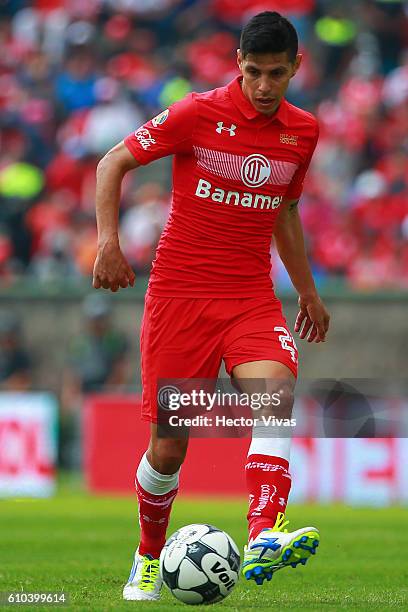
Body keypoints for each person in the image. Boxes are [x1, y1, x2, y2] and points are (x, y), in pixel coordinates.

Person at [93, 11, 330, 601]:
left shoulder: (303, 131)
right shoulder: (198, 112)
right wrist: (107, 242)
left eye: (277, 73)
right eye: (254, 72)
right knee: (169, 446)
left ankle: (263, 535)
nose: (265, 86)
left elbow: (286, 214)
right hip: (179, 298)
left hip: (250, 298)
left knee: (275, 395)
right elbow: (111, 162)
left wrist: (306, 290)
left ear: (297, 66)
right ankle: (149, 557)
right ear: (238, 65)